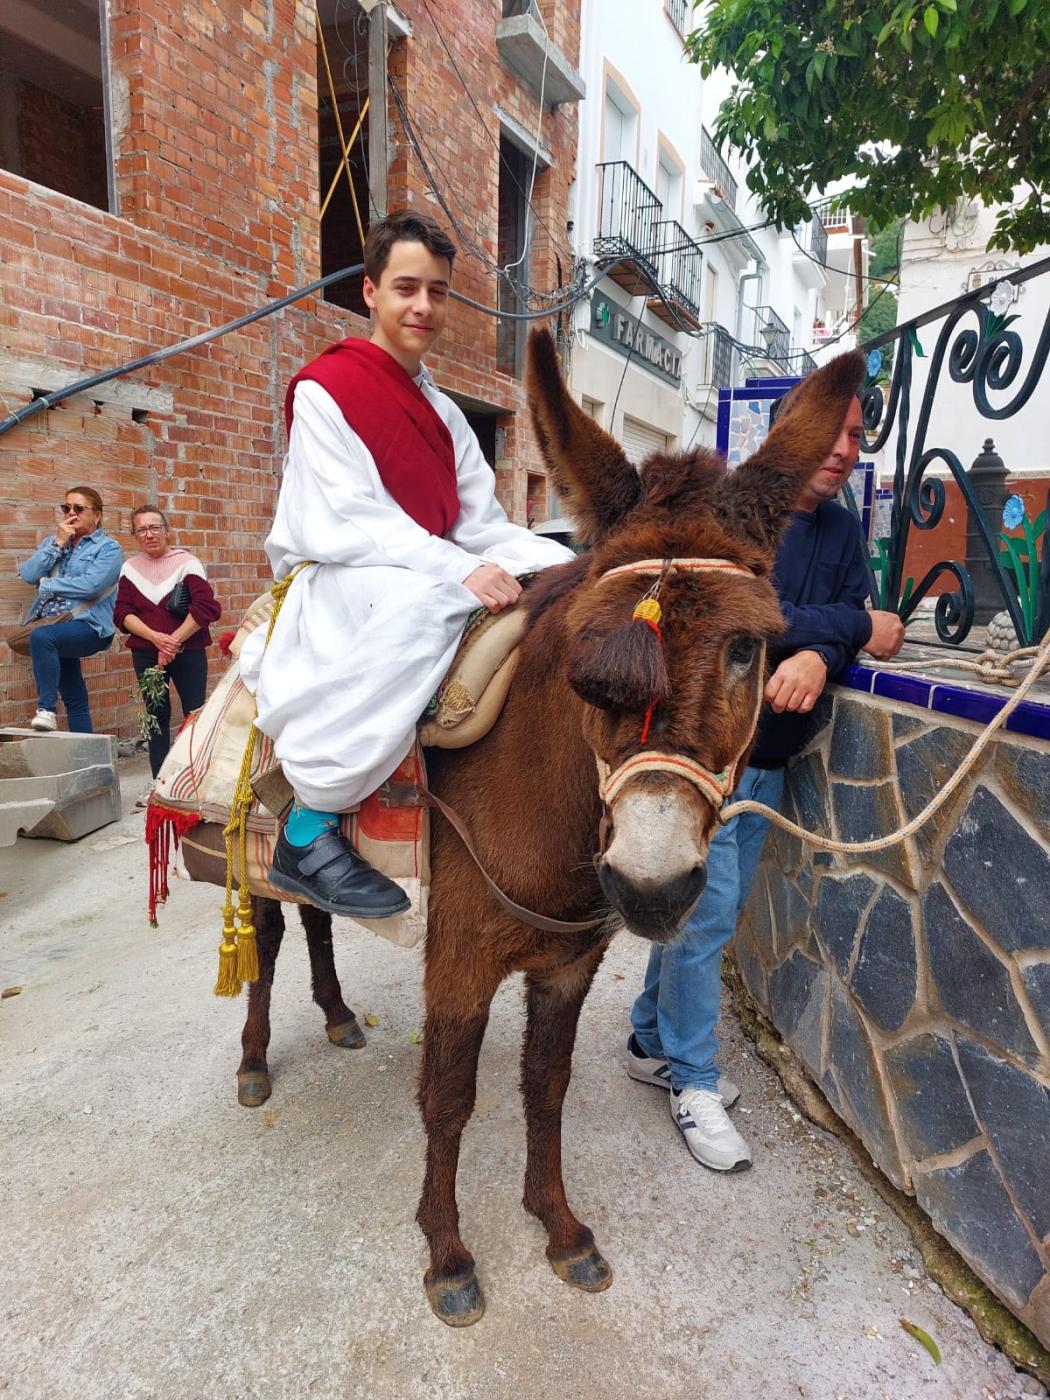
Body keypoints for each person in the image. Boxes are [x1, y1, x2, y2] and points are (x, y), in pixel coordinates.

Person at [238, 210, 574, 918]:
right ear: (370, 292)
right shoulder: (324, 390)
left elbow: (479, 523)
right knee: (430, 606)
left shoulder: (447, 414)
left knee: (562, 569)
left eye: (439, 292)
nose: (424, 306)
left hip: (423, 560)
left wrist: (558, 564)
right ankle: (309, 823)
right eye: (406, 288)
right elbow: (355, 519)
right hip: (342, 572)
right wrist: (456, 571)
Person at [626, 393, 906, 1173]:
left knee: (706, 915)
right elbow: (748, 614)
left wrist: (821, 653)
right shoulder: (734, 510)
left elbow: (820, 621)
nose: (846, 447)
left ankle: (649, 1042)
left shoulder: (844, 528)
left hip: (775, 758)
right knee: (708, 921)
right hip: (712, 762)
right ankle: (693, 1078)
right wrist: (849, 630)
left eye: (856, 434)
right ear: (789, 435)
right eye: (833, 431)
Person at [114, 505, 222, 806]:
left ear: (166, 529)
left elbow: (205, 609)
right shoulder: (130, 569)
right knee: (155, 717)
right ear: (135, 535)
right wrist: (155, 638)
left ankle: (197, 779)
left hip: (188, 650)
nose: (149, 534)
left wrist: (172, 642)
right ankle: (158, 783)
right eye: (141, 529)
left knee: (194, 713)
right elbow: (123, 613)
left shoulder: (187, 563)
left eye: (155, 527)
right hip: (147, 654)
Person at [17, 486, 123, 734]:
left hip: (89, 625)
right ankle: (86, 758)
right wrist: (57, 543)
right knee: (74, 694)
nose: (71, 513)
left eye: (78, 508)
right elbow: (29, 574)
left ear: (97, 515)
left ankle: (46, 710)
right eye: (66, 508)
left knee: (42, 638)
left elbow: (91, 585)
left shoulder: (108, 548)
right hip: (56, 625)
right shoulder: (54, 542)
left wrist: (48, 584)